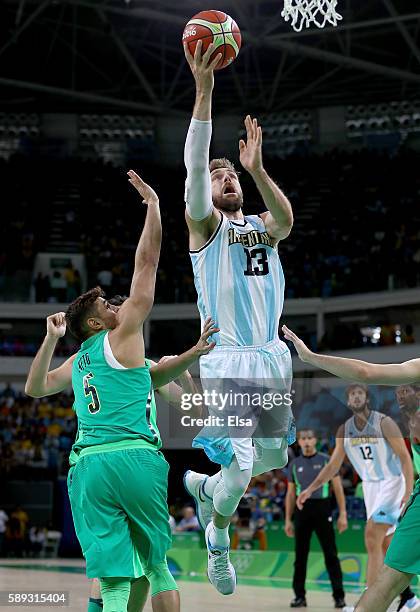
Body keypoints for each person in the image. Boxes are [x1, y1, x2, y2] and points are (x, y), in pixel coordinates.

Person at [25, 170, 218, 612]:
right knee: (155, 566)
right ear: (96, 323)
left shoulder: (80, 361)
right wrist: (152, 207)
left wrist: (52, 338)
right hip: (134, 456)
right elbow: (146, 264)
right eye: (105, 306)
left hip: (89, 466)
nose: (115, 306)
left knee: (111, 577)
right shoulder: (123, 335)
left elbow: (35, 388)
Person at [181, 40, 295, 596]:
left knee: (269, 462)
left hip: (270, 354)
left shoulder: (260, 224)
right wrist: (204, 89)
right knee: (246, 464)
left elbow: (287, 220)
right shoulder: (206, 229)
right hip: (225, 355)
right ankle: (217, 543)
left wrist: (258, 168)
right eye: (217, 175)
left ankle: (206, 491)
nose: (226, 179)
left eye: (232, 176)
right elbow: (194, 168)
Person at [282, 324, 420, 612]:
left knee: (373, 536)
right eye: (352, 395)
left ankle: (387, 595)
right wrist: (309, 489)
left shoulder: (385, 422)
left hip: (393, 483)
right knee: (385, 548)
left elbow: (406, 460)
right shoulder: (345, 430)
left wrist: (407, 492)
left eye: (361, 394)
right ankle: (407, 598)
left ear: (367, 398)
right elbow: (333, 466)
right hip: (374, 489)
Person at [285, 429, 347, 609]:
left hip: (322, 508)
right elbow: (290, 493)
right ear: (298, 441)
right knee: (300, 557)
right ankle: (299, 597)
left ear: (316, 440)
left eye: (310, 438)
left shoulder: (326, 460)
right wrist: (288, 519)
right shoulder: (294, 464)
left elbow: (337, 488)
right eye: (303, 438)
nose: (306, 442)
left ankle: (339, 597)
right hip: (302, 511)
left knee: (331, 555)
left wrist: (343, 513)